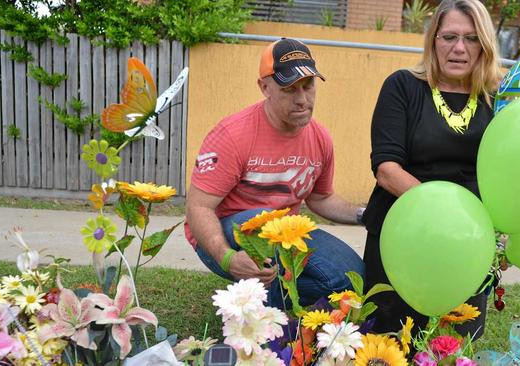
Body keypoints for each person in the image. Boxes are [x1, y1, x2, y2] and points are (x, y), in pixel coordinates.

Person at [185, 38, 366, 309]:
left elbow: (321, 198)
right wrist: (227, 258)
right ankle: (266, 329)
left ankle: (268, 292)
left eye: (308, 86)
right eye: (290, 89)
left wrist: (367, 214)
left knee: (352, 277)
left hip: (284, 236)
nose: (303, 100)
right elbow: (198, 208)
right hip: (222, 236)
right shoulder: (233, 135)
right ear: (264, 87)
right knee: (260, 225)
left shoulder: (319, 138)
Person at [362, 0, 503, 336]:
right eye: (448, 37)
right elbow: (387, 168)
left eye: (471, 39)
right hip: (401, 233)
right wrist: (444, 213)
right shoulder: (403, 86)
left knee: (454, 345)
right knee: (391, 343)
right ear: (433, 41)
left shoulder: (497, 98)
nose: (459, 48)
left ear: (484, 45)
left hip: (468, 240)